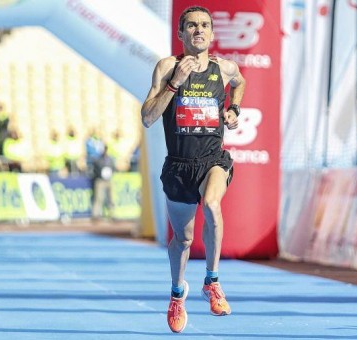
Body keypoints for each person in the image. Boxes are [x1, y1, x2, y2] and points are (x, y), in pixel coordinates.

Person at [140, 6, 245, 333]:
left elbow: (240, 82)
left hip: (213, 159)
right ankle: (176, 294)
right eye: (191, 26)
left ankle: (212, 282)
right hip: (178, 166)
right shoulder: (167, 67)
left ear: (212, 34)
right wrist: (175, 84)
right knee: (182, 241)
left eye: (204, 26)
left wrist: (234, 107)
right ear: (181, 34)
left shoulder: (225, 69)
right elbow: (147, 116)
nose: (198, 30)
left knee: (212, 204)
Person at [90, 144, 115, 220]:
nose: (105, 151)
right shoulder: (97, 159)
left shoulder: (110, 159)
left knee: (111, 198)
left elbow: (113, 167)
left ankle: (111, 214)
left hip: (109, 180)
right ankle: (96, 214)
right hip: (100, 180)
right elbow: (95, 169)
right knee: (99, 198)